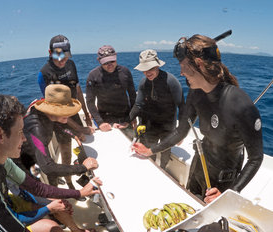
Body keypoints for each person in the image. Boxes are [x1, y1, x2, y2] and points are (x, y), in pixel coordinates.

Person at [132, 34, 263, 204]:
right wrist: (150, 151)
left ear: (199, 64)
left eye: (182, 66)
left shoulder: (240, 104)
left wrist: (231, 192)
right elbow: (181, 131)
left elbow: (255, 158)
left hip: (223, 180)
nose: (181, 72)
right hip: (199, 165)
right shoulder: (196, 92)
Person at [0, 93, 101, 232]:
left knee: (56, 211)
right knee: (50, 225)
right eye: (20, 132)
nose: (24, 139)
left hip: (9, 204)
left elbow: (36, 187)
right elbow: (11, 225)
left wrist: (78, 193)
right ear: (0, 135)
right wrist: (48, 208)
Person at [38, 34, 94, 187]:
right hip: (57, 116)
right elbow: (53, 109)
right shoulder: (44, 74)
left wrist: (87, 117)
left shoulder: (71, 64)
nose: (63, 59)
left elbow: (77, 88)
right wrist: (78, 127)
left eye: (66, 55)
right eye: (58, 54)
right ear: (50, 53)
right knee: (66, 149)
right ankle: (69, 181)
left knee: (83, 138)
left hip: (73, 109)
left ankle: (83, 169)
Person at [19, 84, 99, 188]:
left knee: (52, 172)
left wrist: (75, 135)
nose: (69, 115)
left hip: (39, 149)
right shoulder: (36, 127)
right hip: (25, 162)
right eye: (65, 111)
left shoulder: (46, 115)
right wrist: (83, 167)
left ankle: (55, 182)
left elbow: (59, 127)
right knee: (42, 182)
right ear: (53, 111)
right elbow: (48, 168)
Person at [129, 49, 185, 170]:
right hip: (150, 125)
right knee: (149, 155)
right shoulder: (144, 83)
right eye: (144, 69)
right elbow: (138, 105)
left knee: (165, 155)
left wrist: (182, 133)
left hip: (168, 125)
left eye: (150, 68)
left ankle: (164, 169)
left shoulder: (171, 81)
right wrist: (126, 120)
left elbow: (182, 106)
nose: (147, 72)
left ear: (157, 66)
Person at [86, 45, 137, 134]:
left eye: (112, 61)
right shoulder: (93, 75)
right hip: (105, 120)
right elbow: (90, 101)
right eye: (105, 63)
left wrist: (131, 118)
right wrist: (100, 122)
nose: (110, 65)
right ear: (99, 61)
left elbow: (133, 96)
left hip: (125, 118)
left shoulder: (125, 72)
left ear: (116, 56)